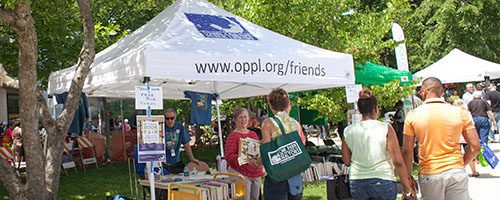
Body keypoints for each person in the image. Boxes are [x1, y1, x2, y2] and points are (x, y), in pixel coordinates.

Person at [403, 77, 480, 200]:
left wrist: (407, 177)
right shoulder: (460, 113)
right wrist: (460, 164)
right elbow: (475, 147)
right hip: (455, 170)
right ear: (442, 92)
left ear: (423, 92)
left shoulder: (413, 115)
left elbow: (407, 150)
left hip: (430, 172)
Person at [342, 89, 415, 200]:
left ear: (360, 110)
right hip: (382, 178)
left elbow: (346, 161)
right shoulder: (385, 128)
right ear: (376, 108)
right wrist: (407, 187)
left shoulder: (348, 131)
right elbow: (398, 161)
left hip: (357, 180)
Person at [261, 88, 305, 200]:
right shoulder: (295, 123)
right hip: (294, 175)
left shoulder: (268, 123)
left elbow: (267, 151)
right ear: (287, 105)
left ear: (271, 106)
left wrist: (256, 162)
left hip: (277, 176)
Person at [225, 108, 264, 200]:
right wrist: (245, 159)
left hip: (255, 172)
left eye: (245, 117)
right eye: (241, 117)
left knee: (255, 197)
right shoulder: (233, 136)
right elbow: (229, 156)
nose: (244, 120)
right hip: (240, 172)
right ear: (235, 119)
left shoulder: (253, 134)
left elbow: (257, 151)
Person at [163, 108, 200, 173]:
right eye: (167, 118)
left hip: (176, 162)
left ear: (175, 117)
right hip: (163, 163)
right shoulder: (161, 126)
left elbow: (186, 143)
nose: (169, 121)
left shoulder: (179, 126)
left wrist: (191, 158)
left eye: (172, 118)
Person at [452, 99, 479, 177]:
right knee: (470, 152)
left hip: (456, 137)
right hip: (466, 136)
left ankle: (457, 169)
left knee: (457, 154)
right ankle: (473, 171)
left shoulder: (452, 113)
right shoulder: (467, 113)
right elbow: (472, 124)